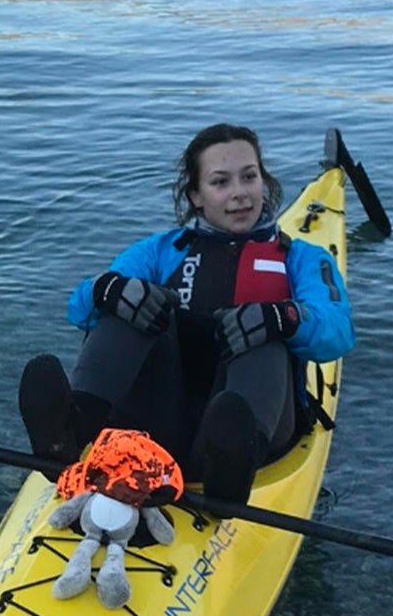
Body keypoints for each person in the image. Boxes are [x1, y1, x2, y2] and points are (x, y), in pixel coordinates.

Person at [19, 123, 355, 505]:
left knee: (264, 329)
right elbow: (80, 308)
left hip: (250, 438)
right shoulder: (159, 251)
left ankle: (228, 469)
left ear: (264, 181)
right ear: (196, 195)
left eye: (249, 177)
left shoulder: (301, 258)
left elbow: (338, 330)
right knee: (125, 304)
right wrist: (105, 290)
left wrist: (284, 318)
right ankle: (70, 432)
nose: (240, 193)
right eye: (221, 182)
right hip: (154, 427)